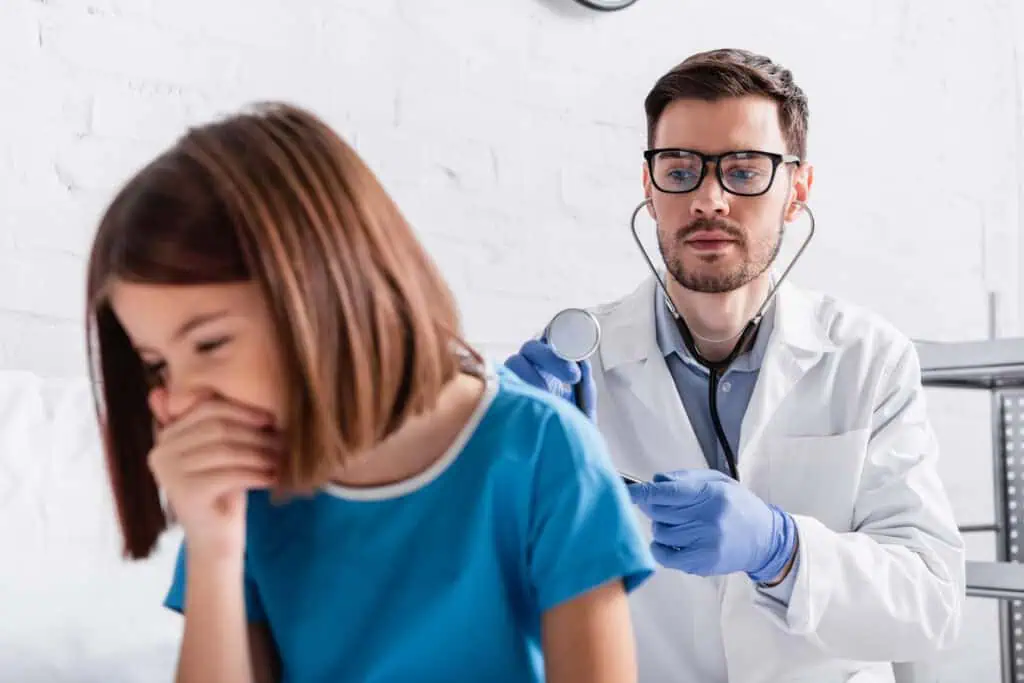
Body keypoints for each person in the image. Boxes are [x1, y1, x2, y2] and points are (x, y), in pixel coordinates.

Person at [84, 102, 655, 683]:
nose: (180, 401)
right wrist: (213, 548)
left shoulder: (541, 452)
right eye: (157, 367)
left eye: (208, 345)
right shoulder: (245, 489)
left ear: (324, 289)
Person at [505, 49, 965, 682]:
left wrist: (782, 550)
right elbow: (506, 592)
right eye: (681, 169)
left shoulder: (868, 358)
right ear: (649, 186)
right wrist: (495, 467)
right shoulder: (574, 366)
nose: (708, 199)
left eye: (745, 171)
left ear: (796, 191)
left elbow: (930, 603)